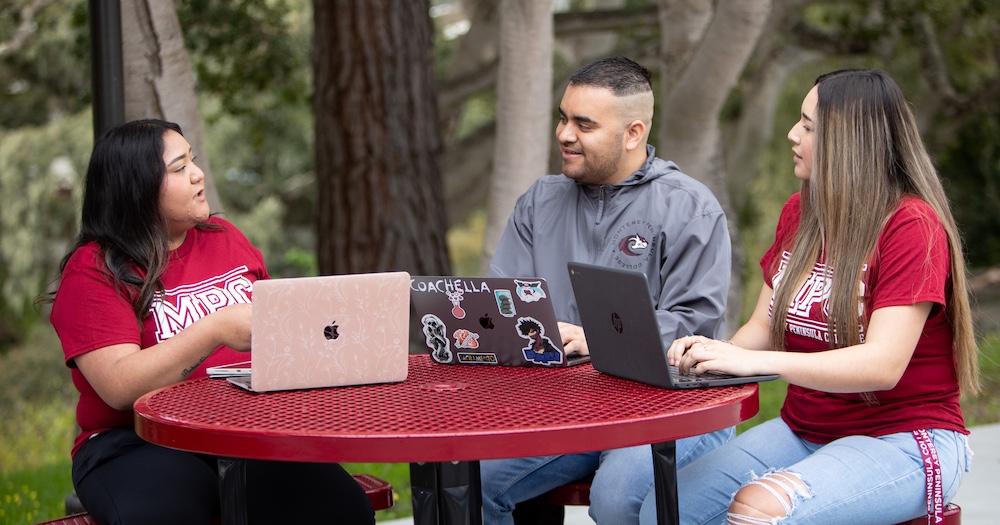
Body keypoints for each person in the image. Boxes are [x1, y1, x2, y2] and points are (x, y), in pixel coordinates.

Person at [655, 69, 977, 525]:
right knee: (662, 510)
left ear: (848, 142)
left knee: (759, 510)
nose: (793, 133)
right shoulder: (800, 211)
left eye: (808, 126)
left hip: (905, 438)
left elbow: (881, 366)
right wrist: (712, 354)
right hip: (805, 431)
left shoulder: (912, 225)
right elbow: (763, 329)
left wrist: (762, 364)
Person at [47, 119, 375, 525]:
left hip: (245, 429)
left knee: (342, 510)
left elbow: (280, 332)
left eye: (194, 161)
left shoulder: (224, 237)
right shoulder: (94, 270)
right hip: (137, 442)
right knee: (163, 517)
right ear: (137, 187)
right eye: (180, 168)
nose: (198, 174)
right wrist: (214, 329)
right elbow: (118, 387)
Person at [481, 56, 734, 525]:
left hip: (665, 405)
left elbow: (692, 329)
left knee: (619, 498)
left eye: (584, 124)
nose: (564, 134)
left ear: (633, 133)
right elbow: (505, 302)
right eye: (562, 117)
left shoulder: (690, 207)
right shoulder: (540, 201)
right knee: (472, 478)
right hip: (563, 405)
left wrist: (592, 338)